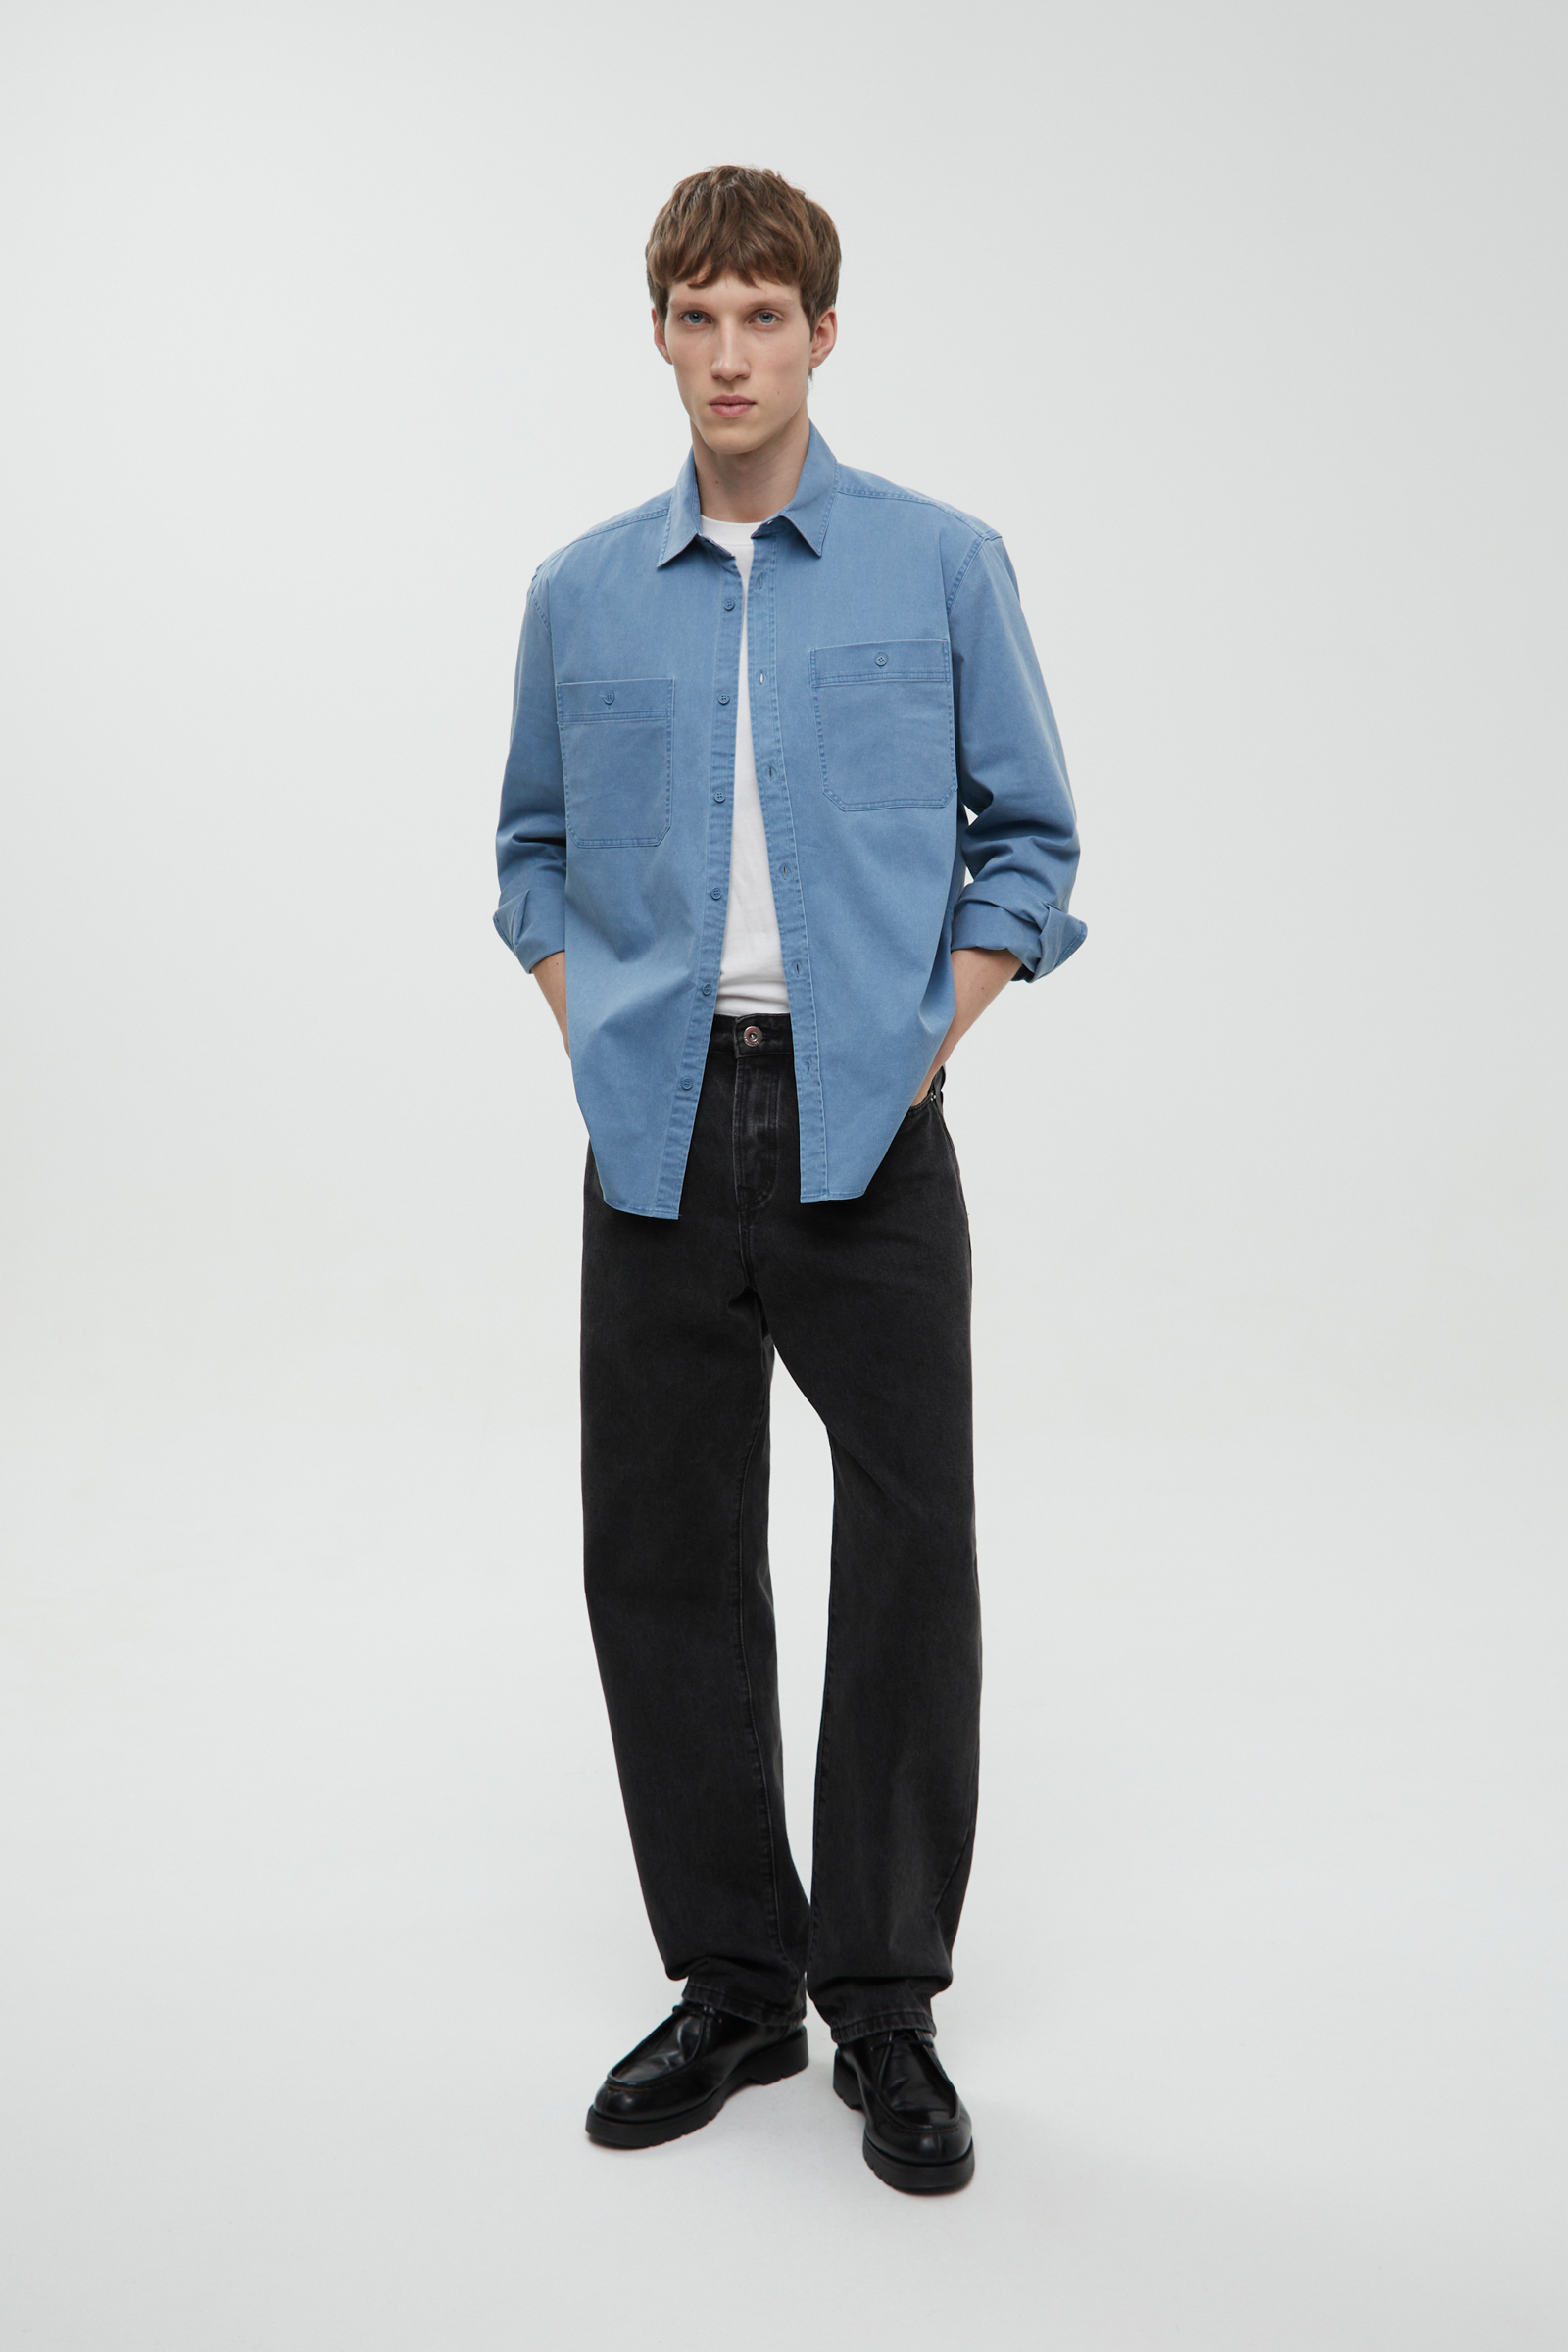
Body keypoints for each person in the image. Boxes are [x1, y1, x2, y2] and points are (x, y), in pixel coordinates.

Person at [493, 164, 1085, 2195]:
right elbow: (527, 850)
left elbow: (1032, 839)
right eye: (698, 317)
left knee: (910, 1552)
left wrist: (922, 1040)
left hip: (869, 1130)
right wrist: (590, 1031)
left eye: (766, 316)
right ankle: (735, 1984)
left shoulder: (940, 565)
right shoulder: (580, 592)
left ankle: (884, 2001)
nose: (730, 354)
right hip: (654, 1128)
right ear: (658, 335)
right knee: (662, 1553)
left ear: (823, 332)